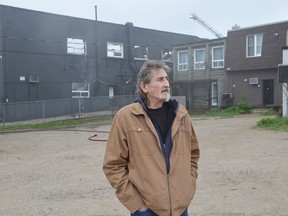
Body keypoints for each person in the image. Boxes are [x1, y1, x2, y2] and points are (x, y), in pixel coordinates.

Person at [103, 60, 200, 216]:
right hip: (146, 210)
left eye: (167, 78)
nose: (167, 84)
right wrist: (137, 205)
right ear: (144, 87)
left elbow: (193, 154)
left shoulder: (181, 115)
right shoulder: (126, 117)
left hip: (180, 208)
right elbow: (113, 165)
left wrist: (187, 187)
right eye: (160, 79)